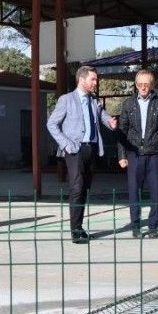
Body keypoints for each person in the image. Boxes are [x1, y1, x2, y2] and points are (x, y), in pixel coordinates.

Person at [47, 65, 117, 244]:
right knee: (76, 188)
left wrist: (110, 121)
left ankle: (79, 227)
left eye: (96, 79)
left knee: (85, 188)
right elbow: (51, 124)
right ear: (82, 79)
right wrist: (66, 144)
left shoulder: (94, 100)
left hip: (91, 149)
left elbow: (101, 115)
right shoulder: (66, 99)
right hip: (74, 150)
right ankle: (75, 231)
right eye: (93, 79)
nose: (96, 83)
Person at [116, 69, 158, 239]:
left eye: (146, 84)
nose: (143, 87)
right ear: (136, 85)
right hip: (134, 153)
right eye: (140, 84)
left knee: (156, 191)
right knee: (134, 191)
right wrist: (121, 155)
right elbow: (122, 131)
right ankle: (135, 226)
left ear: (152, 85)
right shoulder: (128, 104)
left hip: (155, 153)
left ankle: (153, 226)